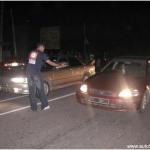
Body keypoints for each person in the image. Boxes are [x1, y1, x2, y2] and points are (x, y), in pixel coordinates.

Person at [26, 43, 64, 111]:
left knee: (31, 92)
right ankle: (45, 105)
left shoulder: (32, 53)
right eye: (43, 48)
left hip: (29, 73)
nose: (43, 50)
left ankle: (34, 108)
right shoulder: (42, 54)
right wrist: (58, 65)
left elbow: (31, 63)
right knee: (41, 90)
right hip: (36, 74)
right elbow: (49, 62)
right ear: (41, 48)